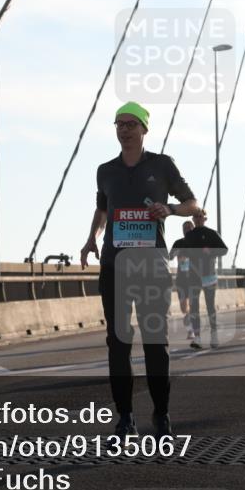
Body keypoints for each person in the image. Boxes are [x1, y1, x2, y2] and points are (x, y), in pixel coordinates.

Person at [80, 101, 200, 440]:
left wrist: (171, 208)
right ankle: (125, 418)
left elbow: (193, 203)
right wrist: (91, 239)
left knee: (154, 343)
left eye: (131, 124)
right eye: (119, 123)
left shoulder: (162, 165)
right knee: (118, 342)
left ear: (144, 129)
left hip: (151, 266)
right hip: (114, 265)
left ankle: (161, 415)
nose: (124, 129)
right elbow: (102, 211)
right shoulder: (105, 170)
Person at [181, 210, 228, 349]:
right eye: (196, 217)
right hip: (194, 276)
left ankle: (214, 336)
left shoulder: (212, 233)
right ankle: (198, 338)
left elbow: (224, 250)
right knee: (194, 307)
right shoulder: (189, 235)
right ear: (193, 219)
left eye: (200, 216)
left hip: (209, 275)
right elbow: (184, 252)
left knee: (210, 306)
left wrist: (211, 251)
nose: (198, 219)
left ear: (204, 218)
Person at [169, 221, 198, 338]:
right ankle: (189, 317)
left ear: (193, 229)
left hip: (194, 279)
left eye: (189, 227)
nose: (187, 230)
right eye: (184, 228)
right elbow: (170, 256)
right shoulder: (178, 242)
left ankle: (191, 330)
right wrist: (177, 253)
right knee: (183, 307)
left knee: (192, 303)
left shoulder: (197, 243)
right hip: (181, 279)